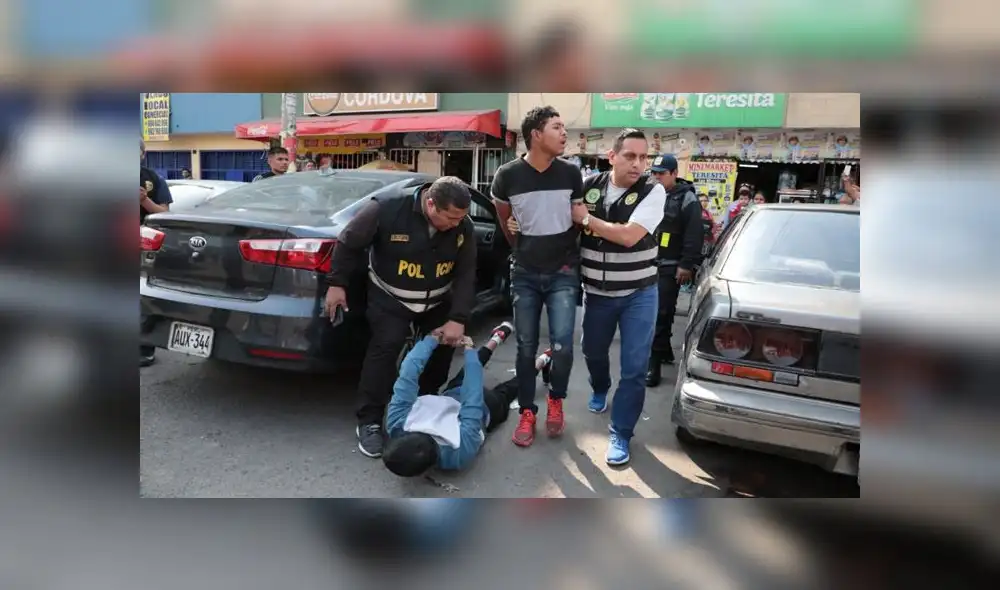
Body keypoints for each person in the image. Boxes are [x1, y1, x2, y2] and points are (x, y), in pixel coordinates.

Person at [323, 176, 476, 458]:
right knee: (385, 348)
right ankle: (369, 421)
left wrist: (458, 318)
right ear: (431, 204)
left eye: (461, 218)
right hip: (390, 297)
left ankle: (423, 408)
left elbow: (466, 273)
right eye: (451, 218)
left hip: (437, 300)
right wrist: (337, 283)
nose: (456, 224)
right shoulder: (386, 209)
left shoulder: (462, 225)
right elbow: (348, 242)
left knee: (440, 354)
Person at [491, 105, 583, 448]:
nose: (564, 134)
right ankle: (527, 412)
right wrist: (517, 239)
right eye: (557, 127)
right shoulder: (507, 175)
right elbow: (504, 218)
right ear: (536, 135)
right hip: (525, 272)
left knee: (562, 344)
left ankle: (555, 398)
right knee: (526, 346)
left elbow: (578, 216)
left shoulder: (571, 174)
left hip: (563, 271)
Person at [574, 129, 666, 465]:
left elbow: (629, 237)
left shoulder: (653, 192)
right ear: (611, 156)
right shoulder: (588, 186)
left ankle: (621, 432)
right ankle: (600, 387)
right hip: (596, 293)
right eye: (630, 156)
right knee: (592, 350)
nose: (638, 164)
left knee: (635, 367)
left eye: (644, 158)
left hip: (640, 293)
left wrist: (585, 218)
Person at [383, 322, 537, 476]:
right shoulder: (396, 424)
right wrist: (434, 340)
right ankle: (497, 338)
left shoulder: (457, 455)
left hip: (482, 406)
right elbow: (408, 371)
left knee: (509, 388)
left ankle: (542, 360)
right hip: (460, 397)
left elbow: (472, 399)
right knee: (469, 372)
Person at [646, 154, 703, 387]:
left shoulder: (686, 198)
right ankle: (664, 349)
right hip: (647, 262)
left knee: (660, 312)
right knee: (655, 312)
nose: (656, 177)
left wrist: (686, 264)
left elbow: (694, 233)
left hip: (670, 265)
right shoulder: (649, 194)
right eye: (654, 173)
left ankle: (654, 363)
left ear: (673, 174)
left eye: (661, 173)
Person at [140, 138, 173, 368]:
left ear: (142, 153)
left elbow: (165, 213)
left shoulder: (152, 179)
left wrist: (144, 201)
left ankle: (144, 349)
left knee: (142, 298)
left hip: (143, 245)